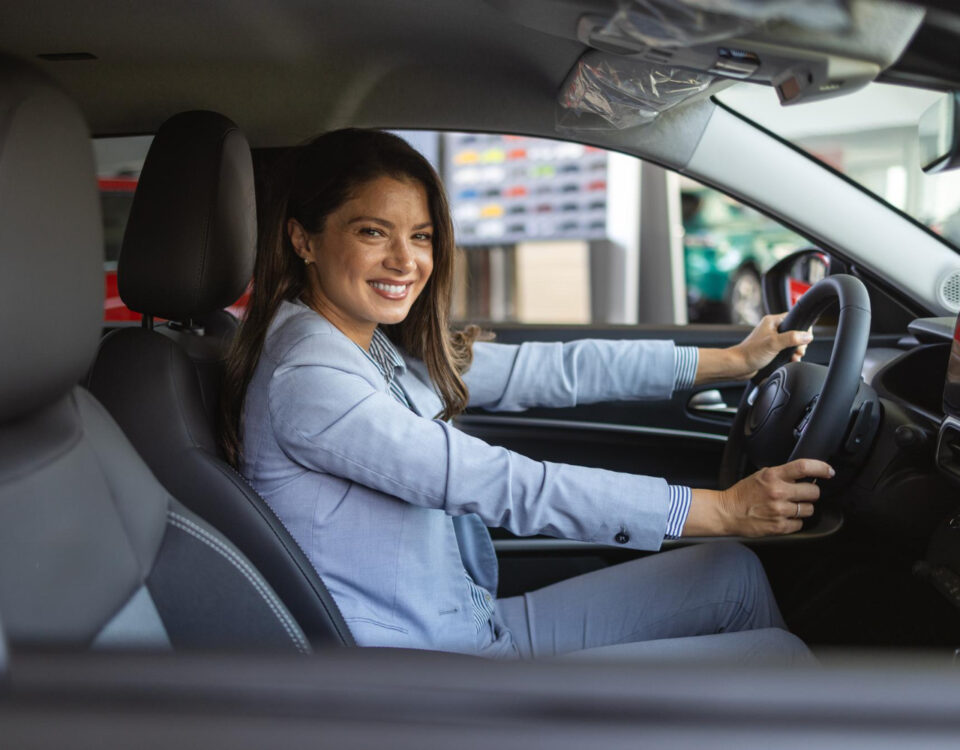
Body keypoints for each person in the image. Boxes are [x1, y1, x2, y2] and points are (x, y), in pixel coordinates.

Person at [220, 129, 830, 664]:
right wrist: (719, 511)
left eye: (422, 236)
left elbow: (548, 369)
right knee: (776, 659)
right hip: (429, 677)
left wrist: (729, 361)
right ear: (304, 240)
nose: (406, 260)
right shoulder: (309, 377)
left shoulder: (366, 344)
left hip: (473, 624)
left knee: (733, 574)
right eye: (373, 232)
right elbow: (498, 482)